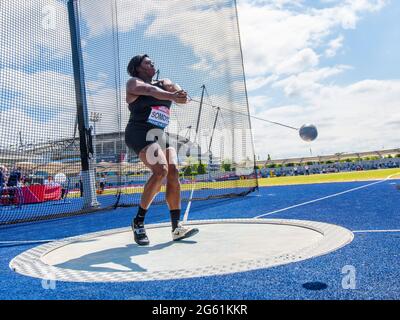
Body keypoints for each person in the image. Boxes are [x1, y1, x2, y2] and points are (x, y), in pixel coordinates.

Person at [125, 54, 198, 245]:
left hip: (159, 134)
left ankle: (176, 228)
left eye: (152, 62)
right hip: (139, 132)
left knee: (173, 170)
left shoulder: (164, 83)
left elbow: (181, 95)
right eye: (148, 62)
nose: (152, 64)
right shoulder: (133, 83)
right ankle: (138, 222)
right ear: (138, 67)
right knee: (161, 170)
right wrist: (172, 96)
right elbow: (149, 90)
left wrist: (181, 95)